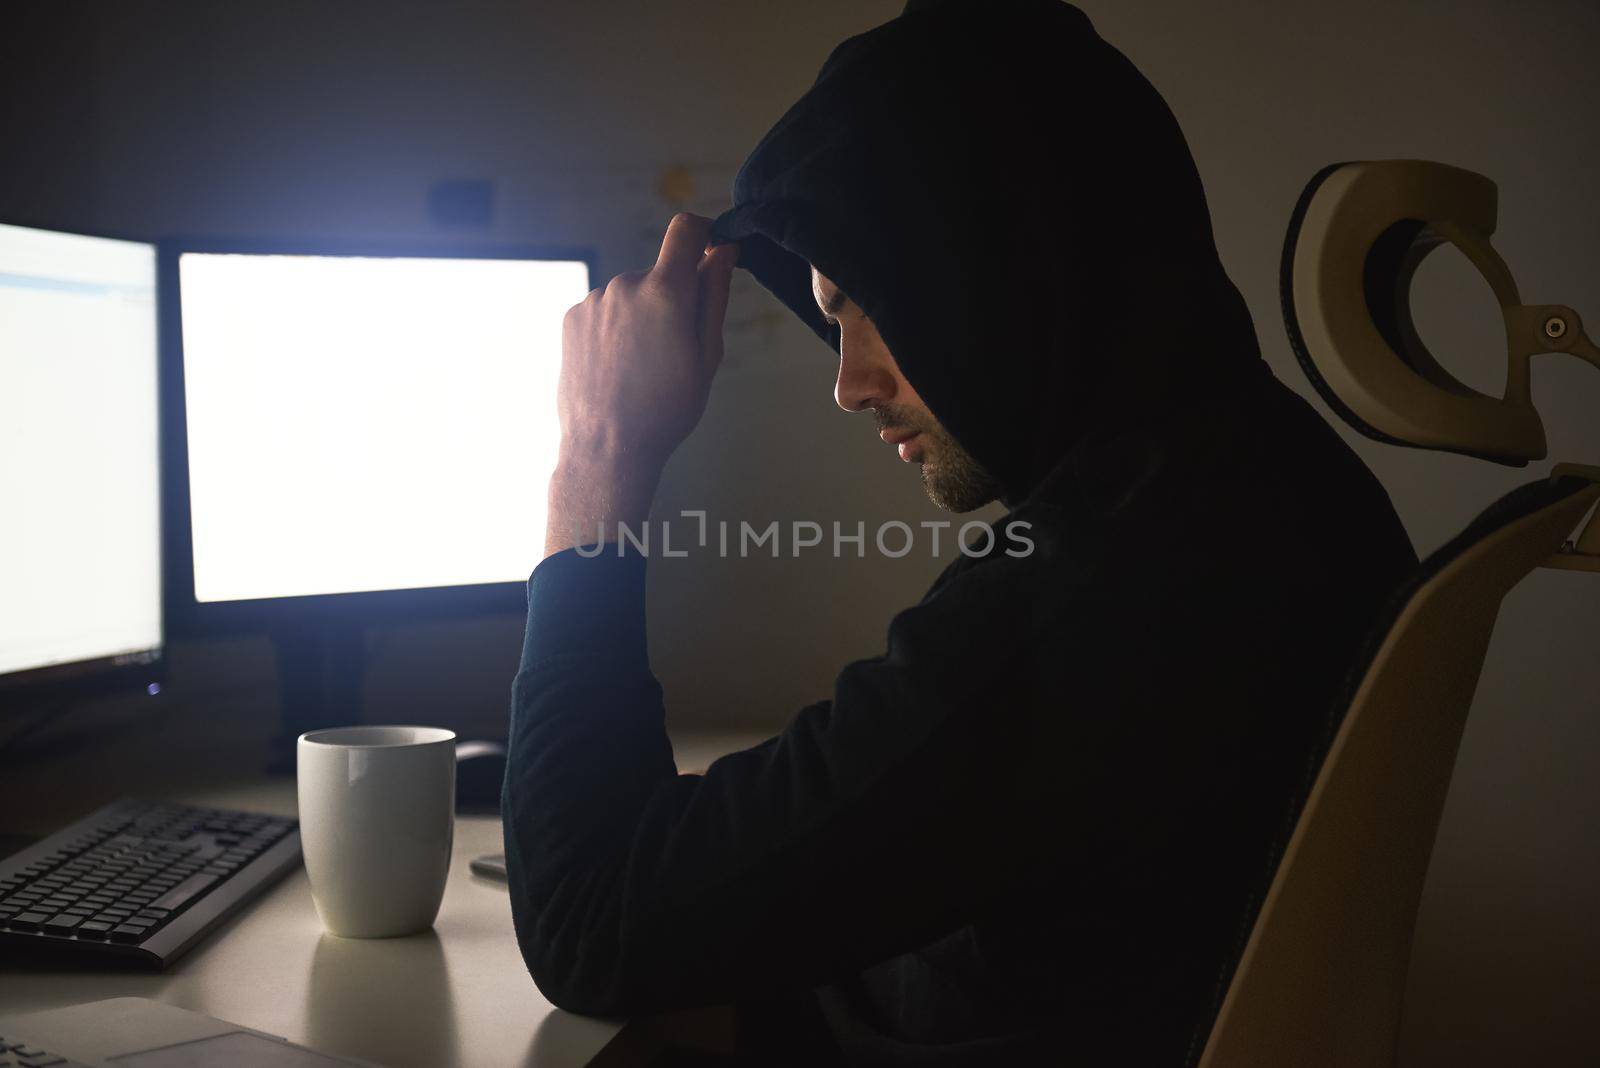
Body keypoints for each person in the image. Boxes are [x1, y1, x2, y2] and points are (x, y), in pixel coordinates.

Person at [501, 0, 1418, 1063]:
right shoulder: (1255, 482)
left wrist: (598, 458)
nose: (847, 385)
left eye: (861, 304)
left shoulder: (1115, 591)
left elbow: (584, 923)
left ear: (985, 261)